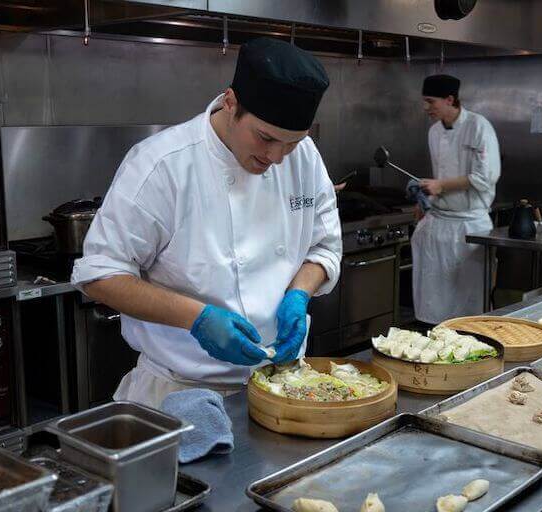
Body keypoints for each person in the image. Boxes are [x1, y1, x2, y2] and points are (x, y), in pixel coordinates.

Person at [71, 37, 342, 408]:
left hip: (284, 387)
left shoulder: (305, 158)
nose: (277, 158)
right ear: (231, 103)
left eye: (291, 143)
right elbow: (100, 275)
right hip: (180, 394)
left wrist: (299, 293)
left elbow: (324, 247)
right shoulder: (163, 164)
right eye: (266, 138)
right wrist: (197, 318)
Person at [411, 74, 501, 324]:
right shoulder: (434, 132)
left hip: (469, 226)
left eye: (431, 101)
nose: (426, 107)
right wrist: (424, 200)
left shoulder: (478, 127)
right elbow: (441, 175)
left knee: (468, 304)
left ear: (450, 99)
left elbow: (485, 177)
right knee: (434, 303)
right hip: (438, 223)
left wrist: (441, 185)